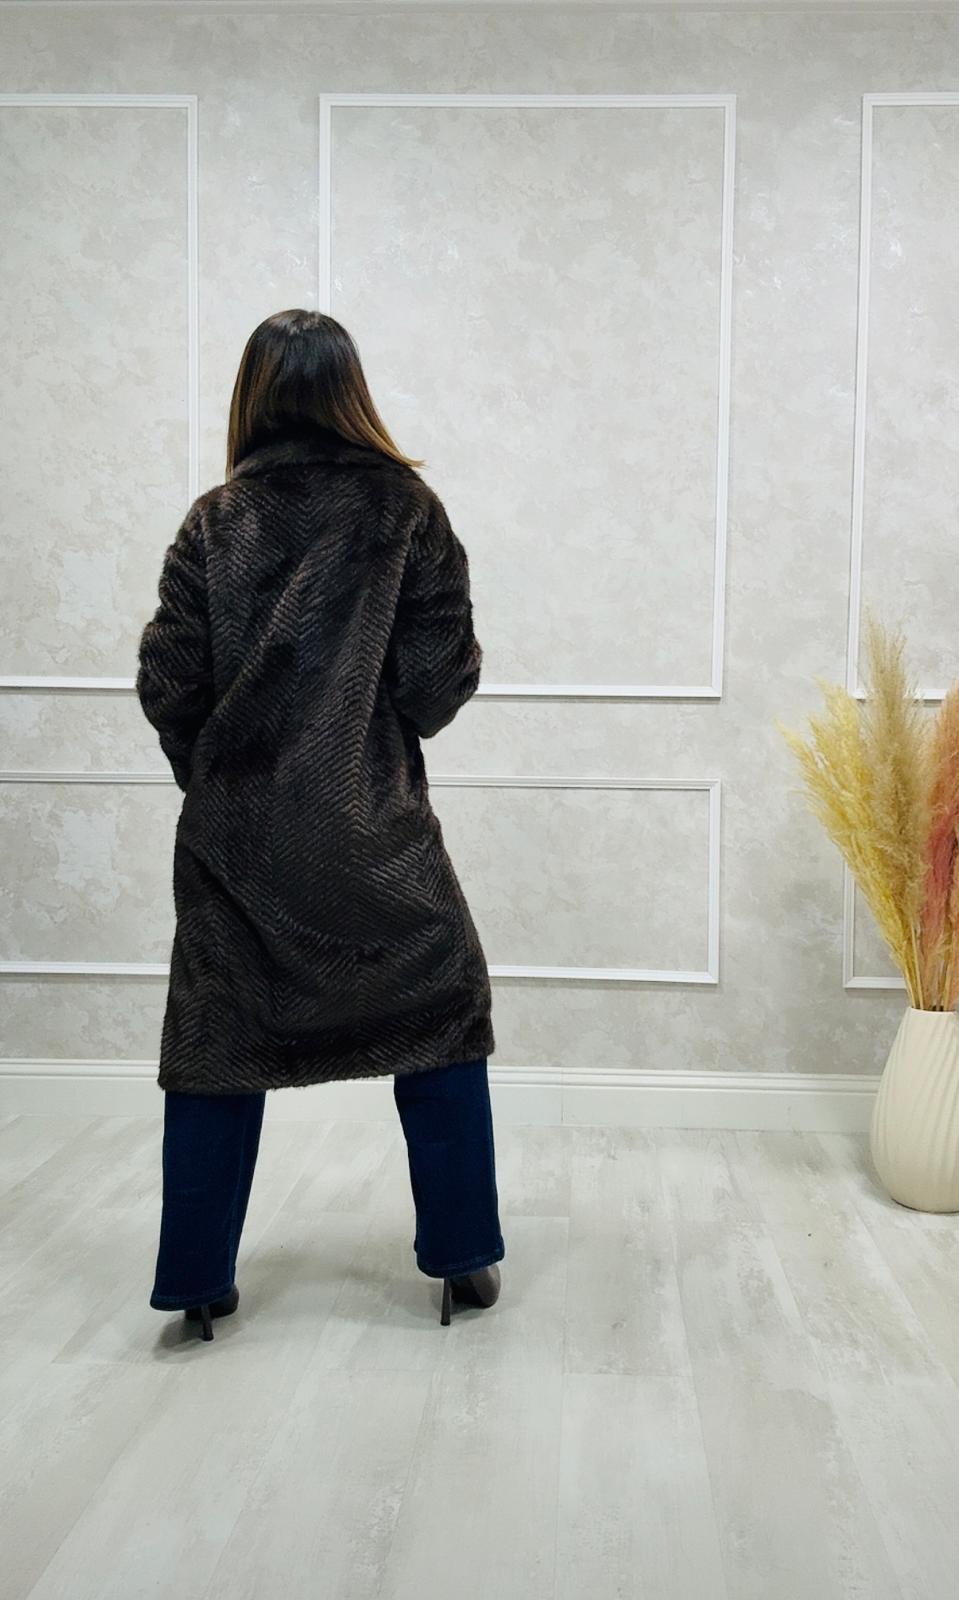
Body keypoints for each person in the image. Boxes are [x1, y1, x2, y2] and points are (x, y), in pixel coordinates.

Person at [135, 308, 504, 1339]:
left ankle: (195, 1281)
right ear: (351, 391)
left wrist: (217, 777)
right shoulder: (406, 511)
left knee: (215, 1038)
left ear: (252, 394)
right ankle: (462, 1257)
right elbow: (435, 682)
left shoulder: (214, 521)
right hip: (371, 828)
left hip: (234, 840)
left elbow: (168, 680)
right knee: (440, 1014)